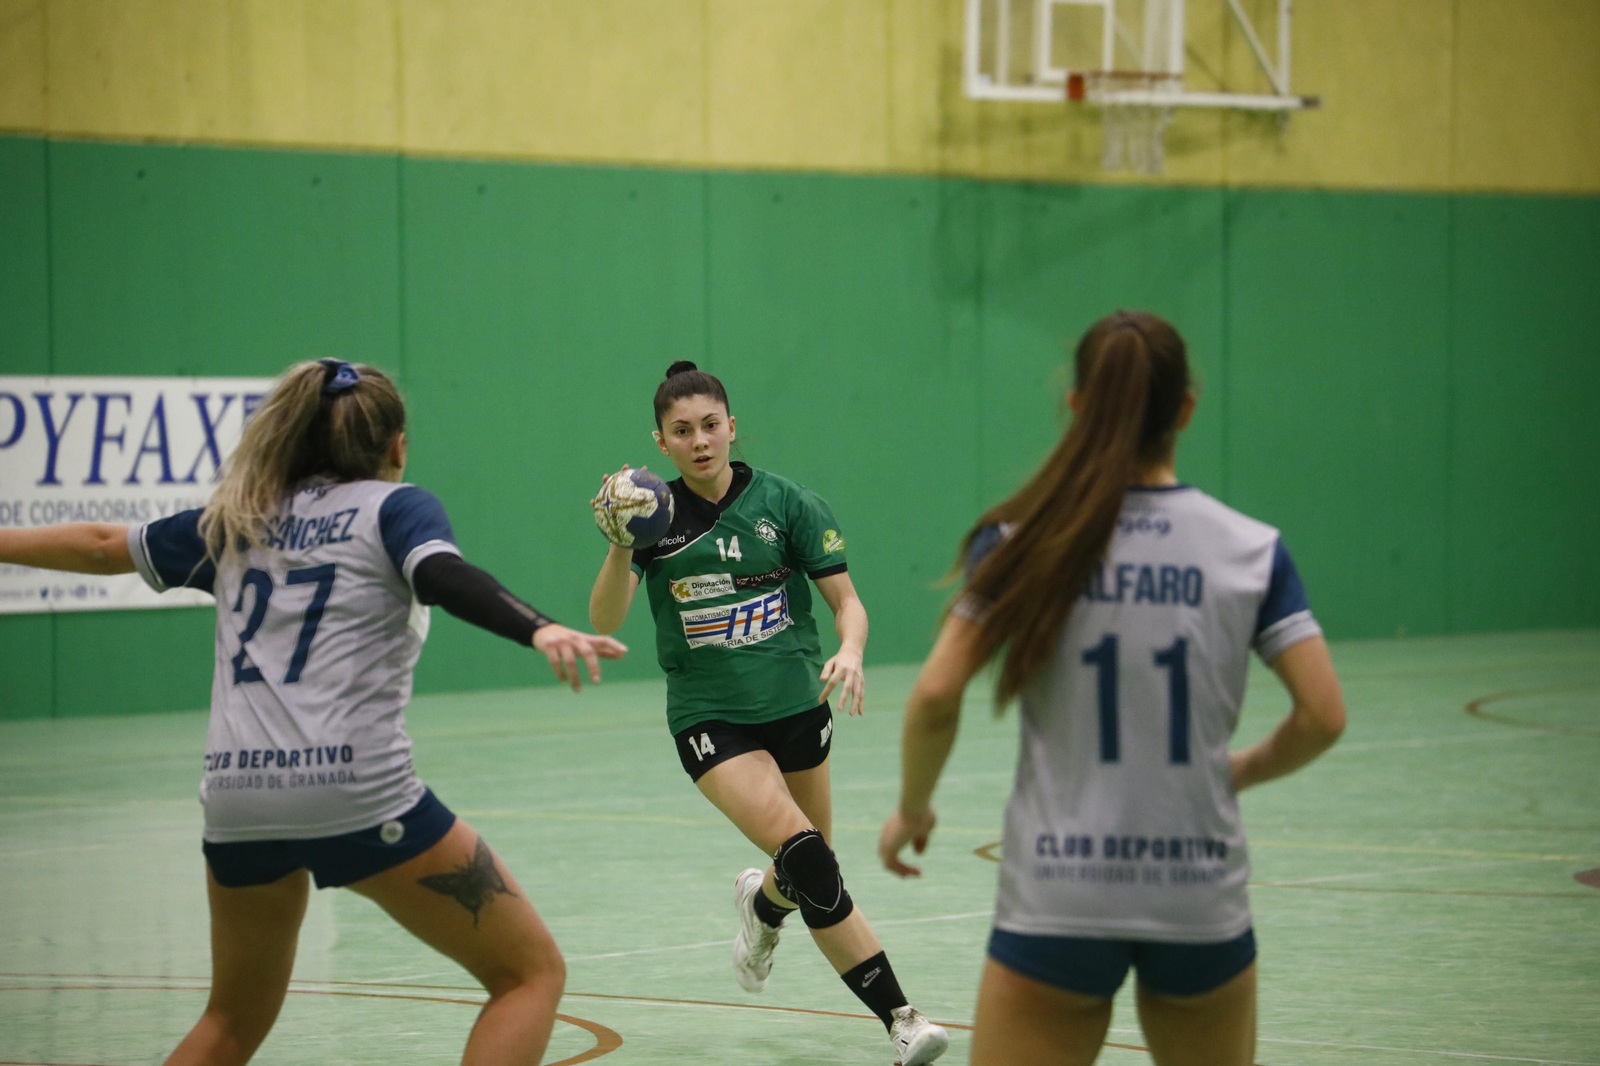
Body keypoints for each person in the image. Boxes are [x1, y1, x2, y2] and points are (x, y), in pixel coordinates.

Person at [0, 359, 626, 1066]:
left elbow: (100, 544)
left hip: (237, 804)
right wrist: (538, 626)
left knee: (230, 1021)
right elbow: (442, 575)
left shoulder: (240, 520)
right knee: (528, 975)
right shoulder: (395, 508)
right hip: (356, 792)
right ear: (396, 446)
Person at [878, 312, 1347, 1066]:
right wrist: (1240, 771)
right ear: (1186, 409)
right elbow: (1323, 715)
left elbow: (935, 694)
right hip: (1197, 892)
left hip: (1059, 893)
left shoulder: (1017, 542)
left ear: (1076, 406)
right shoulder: (1251, 551)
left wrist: (912, 809)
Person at [588, 361, 948, 1065]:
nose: (699, 441)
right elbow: (606, 619)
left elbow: (848, 602)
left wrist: (850, 650)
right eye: (681, 431)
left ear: (731, 426)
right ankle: (904, 1020)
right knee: (810, 857)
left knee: (809, 872)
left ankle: (761, 907)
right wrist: (618, 544)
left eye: (710, 425)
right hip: (711, 720)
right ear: (660, 443)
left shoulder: (787, 504)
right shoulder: (655, 522)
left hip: (797, 709)